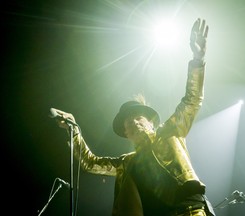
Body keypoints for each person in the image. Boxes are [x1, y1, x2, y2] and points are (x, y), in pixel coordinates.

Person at [54, 18, 216, 216]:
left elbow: (192, 100)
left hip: (189, 211)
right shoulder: (126, 163)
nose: (132, 122)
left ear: (151, 122)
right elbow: (90, 163)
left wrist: (198, 59)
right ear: (126, 134)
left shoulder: (170, 132)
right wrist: (74, 130)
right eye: (127, 123)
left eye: (138, 117)